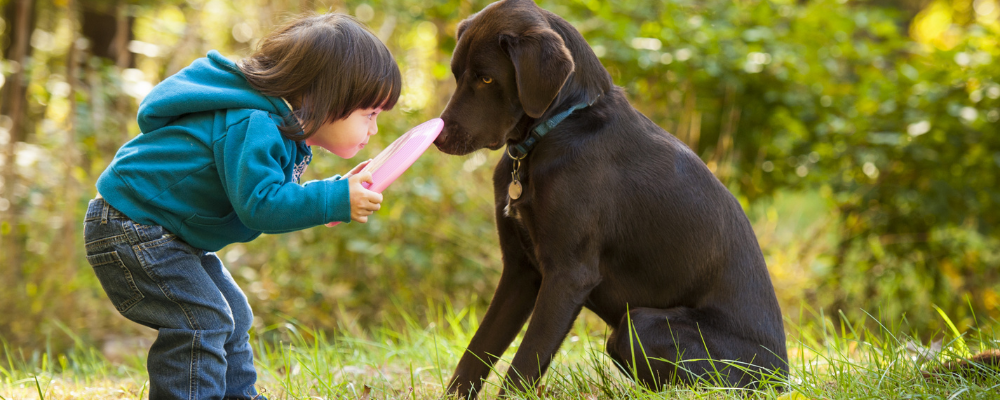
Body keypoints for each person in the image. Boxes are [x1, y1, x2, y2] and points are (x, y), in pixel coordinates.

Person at [82, 13, 400, 399]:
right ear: (323, 97)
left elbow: (271, 193)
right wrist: (333, 199)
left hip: (160, 232)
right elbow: (261, 205)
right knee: (202, 320)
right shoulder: (255, 122)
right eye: (370, 114)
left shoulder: (274, 126)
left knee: (232, 313)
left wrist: (337, 190)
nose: (374, 129)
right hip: (131, 227)